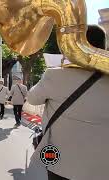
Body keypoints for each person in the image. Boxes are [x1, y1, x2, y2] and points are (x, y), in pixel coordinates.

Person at [27, 25, 108, 180]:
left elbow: (32, 98)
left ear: (77, 45)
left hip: (59, 162)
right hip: (101, 167)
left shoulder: (55, 74)